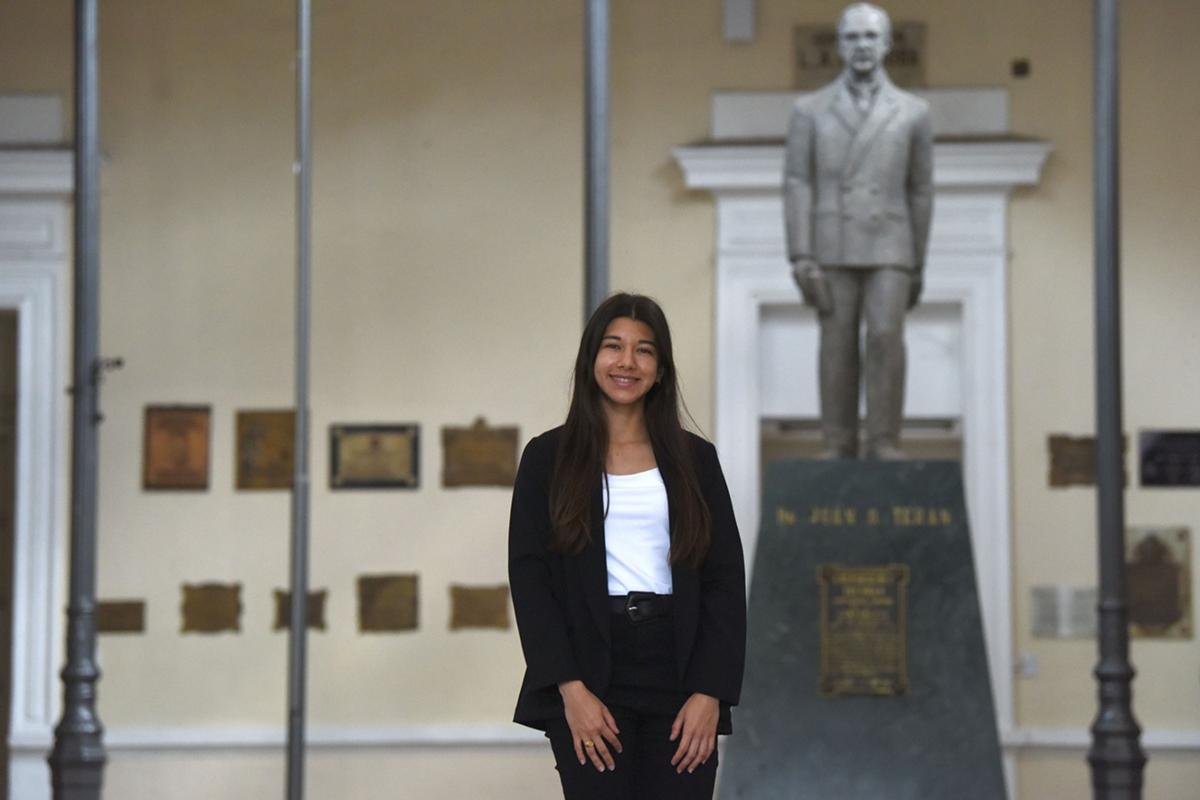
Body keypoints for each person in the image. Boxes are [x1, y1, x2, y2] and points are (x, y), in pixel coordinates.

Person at [508, 293, 746, 799]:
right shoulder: (547, 457)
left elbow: (725, 579)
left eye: (644, 351)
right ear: (591, 359)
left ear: (660, 370)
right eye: (613, 346)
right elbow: (531, 583)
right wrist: (569, 690)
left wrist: (710, 692)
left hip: (680, 672)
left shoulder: (695, 460)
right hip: (590, 671)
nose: (627, 362)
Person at [783, 2, 934, 460]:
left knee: (887, 336)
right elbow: (797, 182)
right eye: (852, 37)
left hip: (891, 242)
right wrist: (800, 253)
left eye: (871, 36)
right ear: (839, 46)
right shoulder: (809, 110)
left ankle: (885, 439)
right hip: (832, 242)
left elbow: (921, 189)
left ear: (887, 44)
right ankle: (837, 441)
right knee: (837, 342)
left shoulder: (913, 111)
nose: (862, 46)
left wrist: (918, 260)